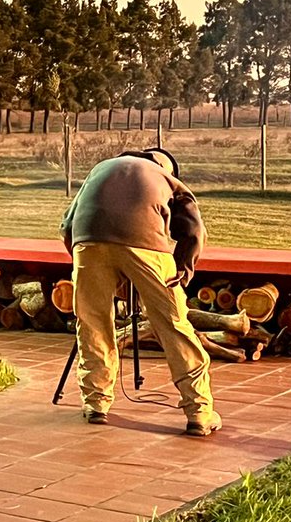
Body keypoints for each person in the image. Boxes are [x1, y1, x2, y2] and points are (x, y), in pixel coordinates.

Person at [60, 148, 221, 437]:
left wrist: (86, 261)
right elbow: (194, 231)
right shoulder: (168, 179)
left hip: (87, 241)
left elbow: (67, 225)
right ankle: (199, 412)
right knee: (173, 325)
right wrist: (183, 270)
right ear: (167, 167)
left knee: (93, 323)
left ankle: (96, 403)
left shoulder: (101, 167)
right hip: (146, 243)